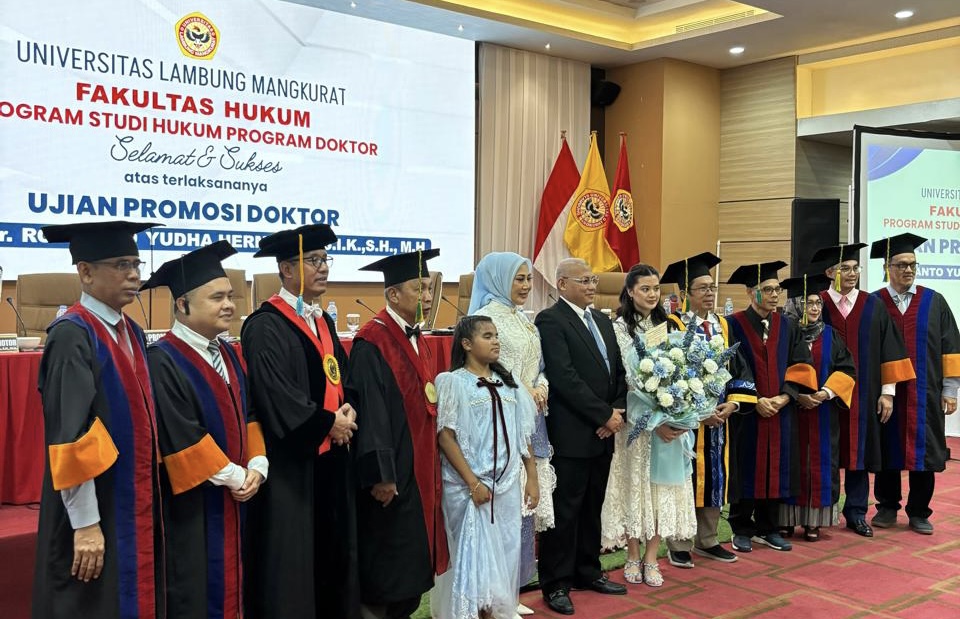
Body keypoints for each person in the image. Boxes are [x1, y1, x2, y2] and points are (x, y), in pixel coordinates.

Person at [33, 220, 163, 619]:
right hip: (92, 505)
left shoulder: (133, 331)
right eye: (122, 264)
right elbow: (71, 434)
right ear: (86, 272)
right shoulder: (72, 335)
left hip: (129, 496)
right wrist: (86, 524)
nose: (134, 275)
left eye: (136, 264)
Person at [141, 241, 268, 619]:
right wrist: (236, 477)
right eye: (217, 298)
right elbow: (181, 436)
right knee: (195, 591)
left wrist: (257, 465)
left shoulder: (227, 351)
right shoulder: (162, 360)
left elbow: (249, 412)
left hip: (237, 496)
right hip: (193, 507)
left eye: (230, 296)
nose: (229, 305)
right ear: (182, 305)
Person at [241, 224, 359, 619]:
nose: (323, 267)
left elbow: (341, 376)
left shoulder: (323, 321)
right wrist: (327, 424)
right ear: (287, 269)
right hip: (292, 467)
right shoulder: (264, 325)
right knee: (294, 565)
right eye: (313, 260)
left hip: (330, 460)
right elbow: (275, 395)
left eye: (325, 259)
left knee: (331, 557)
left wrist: (348, 409)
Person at [347, 249, 449, 619]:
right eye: (419, 289)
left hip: (416, 469)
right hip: (392, 477)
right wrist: (382, 475)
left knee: (408, 574)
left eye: (429, 288)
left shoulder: (417, 337)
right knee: (387, 573)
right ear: (393, 294)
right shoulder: (372, 342)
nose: (427, 296)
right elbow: (371, 414)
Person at [535, 258, 627, 616]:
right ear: (562, 284)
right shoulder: (551, 320)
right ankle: (556, 583)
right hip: (573, 432)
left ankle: (587, 571)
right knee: (565, 511)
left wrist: (615, 413)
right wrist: (603, 415)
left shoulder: (602, 320)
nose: (591, 286)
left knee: (592, 506)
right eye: (584, 280)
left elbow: (618, 372)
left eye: (593, 280)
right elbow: (564, 377)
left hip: (605, 431)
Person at [431, 315, 539, 619]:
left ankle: (495, 611)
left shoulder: (509, 384)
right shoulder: (453, 382)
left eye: (496, 336)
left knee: (503, 553)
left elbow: (522, 434)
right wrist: (473, 483)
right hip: (471, 488)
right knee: (475, 565)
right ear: (466, 344)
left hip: (506, 485)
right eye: (487, 336)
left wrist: (532, 476)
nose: (496, 342)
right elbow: (446, 436)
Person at [469, 252, 555, 615]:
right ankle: (495, 593)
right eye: (518, 279)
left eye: (528, 279)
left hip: (532, 417)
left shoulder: (523, 318)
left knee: (525, 507)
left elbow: (539, 365)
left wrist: (542, 385)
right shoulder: (486, 319)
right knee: (505, 508)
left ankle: (513, 590)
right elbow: (490, 368)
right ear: (499, 279)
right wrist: (525, 389)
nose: (525, 285)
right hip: (502, 417)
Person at [809, 242, 915, 538]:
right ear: (830, 273)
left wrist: (888, 392)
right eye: (845, 268)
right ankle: (822, 512)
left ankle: (856, 512)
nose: (852, 273)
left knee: (859, 453)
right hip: (823, 395)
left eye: (856, 268)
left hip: (864, 394)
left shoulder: (872, 304)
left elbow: (890, 348)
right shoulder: (816, 304)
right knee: (825, 452)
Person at [599, 263, 694, 588]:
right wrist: (645, 416)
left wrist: (676, 411)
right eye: (645, 289)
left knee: (659, 489)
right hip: (634, 424)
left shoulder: (667, 326)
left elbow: (679, 373)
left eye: (656, 289)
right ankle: (632, 554)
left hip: (665, 420)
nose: (652, 295)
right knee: (635, 486)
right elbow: (620, 378)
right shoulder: (617, 329)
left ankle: (652, 557)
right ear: (630, 291)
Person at [660, 253, 757, 566]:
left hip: (719, 421)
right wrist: (697, 411)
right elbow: (666, 374)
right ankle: (678, 542)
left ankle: (708, 539)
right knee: (683, 479)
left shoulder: (723, 326)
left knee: (716, 477)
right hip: (686, 422)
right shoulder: (671, 325)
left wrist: (733, 403)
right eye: (702, 288)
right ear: (685, 294)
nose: (709, 293)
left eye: (712, 287)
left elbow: (740, 368)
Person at [724, 261, 818, 554]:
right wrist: (754, 400)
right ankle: (741, 527)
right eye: (767, 289)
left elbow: (802, 365)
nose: (775, 294)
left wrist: (786, 397)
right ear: (751, 293)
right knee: (745, 466)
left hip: (780, 412)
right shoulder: (732, 325)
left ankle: (769, 528)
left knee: (777, 467)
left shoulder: (788, 325)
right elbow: (728, 368)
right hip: (746, 413)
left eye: (777, 289)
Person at [869, 233, 960, 534]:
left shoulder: (934, 301)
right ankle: (887, 506)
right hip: (887, 393)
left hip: (926, 392)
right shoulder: (874, 303)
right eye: (901, 265)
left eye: (912, 264)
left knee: (926, 451)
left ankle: (919, 511)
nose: (908, 270)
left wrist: (950, 390)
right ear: (888, 268)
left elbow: (951, 347)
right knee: (887, 449)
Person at [779, 274, 856, 542]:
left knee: (820, 464)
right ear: (796, 305)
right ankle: (785, 519)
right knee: (790, 463)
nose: (814, 308)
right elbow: (775, 371)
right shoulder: (782, 335)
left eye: (817, 303)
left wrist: (825, 393)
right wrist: (797, 395)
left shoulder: (831, 335)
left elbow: (847, 369)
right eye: (808, 303)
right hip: (790, 412)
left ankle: (814, 521)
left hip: (823, 414)